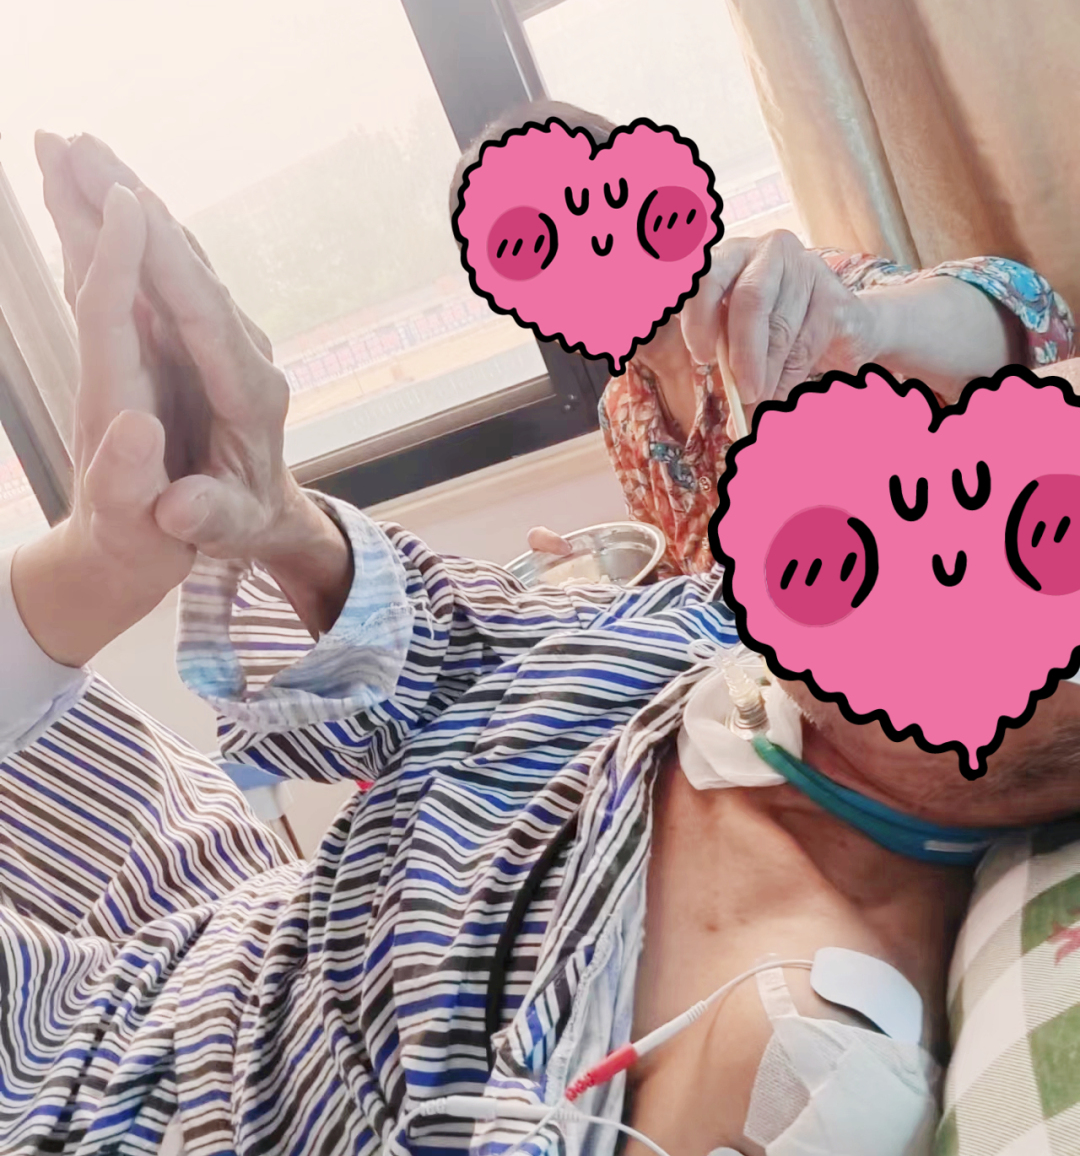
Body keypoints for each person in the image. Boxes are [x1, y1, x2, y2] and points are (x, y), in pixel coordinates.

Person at [6, 130, 1080, 1156]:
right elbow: (461, 650)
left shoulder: (792, 1050)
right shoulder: (691, 560)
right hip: (208, 941)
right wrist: (268, 515)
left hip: (141, 1077)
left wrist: (873, 322)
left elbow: (1022, 312)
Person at [452, 102, 1077, 576]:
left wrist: (870, 324)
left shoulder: (785, 302)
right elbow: (685, 587)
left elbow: (1041, 318)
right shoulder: (621, 411)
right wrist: (596, 582)